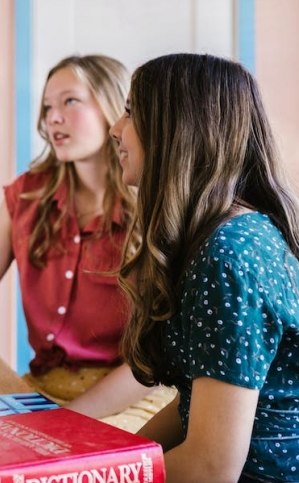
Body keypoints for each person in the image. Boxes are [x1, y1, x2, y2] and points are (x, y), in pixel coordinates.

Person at [0, 55, 173, 432]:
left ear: (113, 107)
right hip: (41, 391)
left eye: (70, 101)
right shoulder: (26, 198)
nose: (52, 118)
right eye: (48, 107)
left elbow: (148, 364)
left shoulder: (155, 210)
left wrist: (61, 422)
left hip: (130, 400)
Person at [112, 53, 299, 482]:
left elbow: (212, 467)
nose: (115, 130)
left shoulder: (229, 256)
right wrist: (112, 466)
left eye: (130, 112)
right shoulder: (219, 237)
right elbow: (194, 406)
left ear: (178, 131)